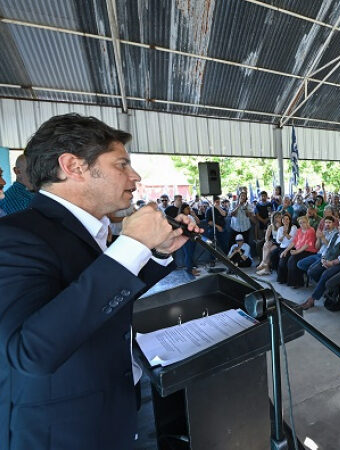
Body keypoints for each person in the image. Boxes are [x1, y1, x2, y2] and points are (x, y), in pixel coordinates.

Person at [0, 114, 200, 450]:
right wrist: (132, 244)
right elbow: (30, 351)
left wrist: (157, 254)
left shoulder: (85, 230)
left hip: (111, 410)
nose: (134, 176)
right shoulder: (15, 236)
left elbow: (102, 299)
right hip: (62, 432)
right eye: (121, 164)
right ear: (73, 166)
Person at [298, 217, 340, 310]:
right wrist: (323, 259)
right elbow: (328, 248)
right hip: (327, 259)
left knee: (325, 274)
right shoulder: (336, 234)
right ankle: (324, 289)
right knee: (311, 271)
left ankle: (312, 299)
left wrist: (332, 263)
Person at [278, 215, 316, 287]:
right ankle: (288, 280)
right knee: (286, 258)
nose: (302, 224)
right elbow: (294, 242)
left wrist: (296, 252)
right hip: (299, 249)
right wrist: (285, 251)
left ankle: (298, 282)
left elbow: (307, 245)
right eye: (300, 223)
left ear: (308, 222)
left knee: (293, 260)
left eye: (304, 222)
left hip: (308, 251)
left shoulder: (311, 230)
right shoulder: (299, 230)